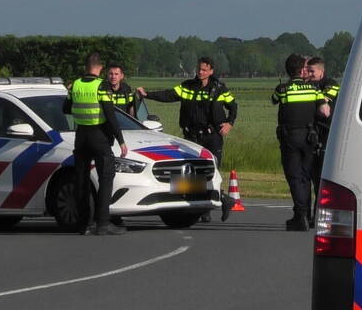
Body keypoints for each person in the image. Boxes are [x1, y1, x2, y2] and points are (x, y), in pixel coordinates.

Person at [137, 57, 237, 222]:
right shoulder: (187, 86)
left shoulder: (220, 89)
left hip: (212, 137)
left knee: (210, 173)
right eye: (199, 69)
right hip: (191, 138)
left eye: (204, 70)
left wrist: (229, 123)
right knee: (191, 175)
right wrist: (147, 94)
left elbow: (233, 106)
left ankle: (212, 205)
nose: (200, 72)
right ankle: (210, 205)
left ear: (211, 71)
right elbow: (168, 95)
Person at [64, 52, 128, 236]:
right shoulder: (101, 85)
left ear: (86, 66)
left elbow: (65, 108)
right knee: (106, 178)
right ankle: (103, 223)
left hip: (81, 136)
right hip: (98, 136)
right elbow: (110, 114)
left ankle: (84, 224)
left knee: (82, 180)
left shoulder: (75, 85)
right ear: (99, 67)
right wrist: (121, 141)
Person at [273, 53, 330, 231]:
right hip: (310, 137)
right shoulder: (313, 89)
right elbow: (325, 111)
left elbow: (274, 100)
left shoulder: (282, 89)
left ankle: (301, 215)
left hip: (290, 138)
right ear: (301, 70)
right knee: (305, 177)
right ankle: (303, 215)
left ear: (288, 70)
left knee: (295, 177)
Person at [304, 55, 340, 223]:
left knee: (320, 178)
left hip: (326, 135)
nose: (309, 74)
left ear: (321, 71)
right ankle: (308, 214)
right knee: (310, 176)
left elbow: (323, 105)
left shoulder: (331, 85)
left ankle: (318, 215)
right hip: (311, 134)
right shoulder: (310, 85)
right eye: (308, 71)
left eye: (312, 71)